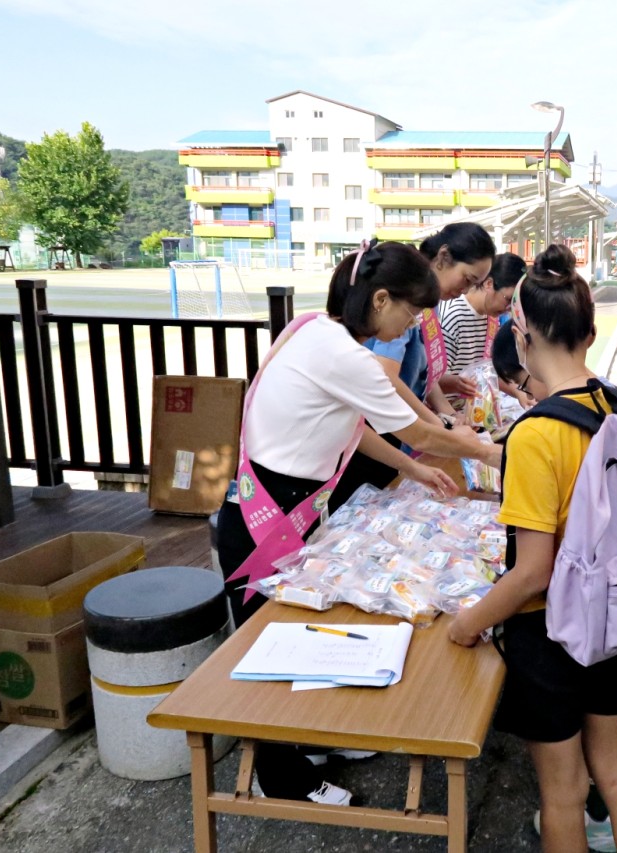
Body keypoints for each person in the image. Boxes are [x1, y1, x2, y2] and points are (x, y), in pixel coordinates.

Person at [215, 240, 503, 803]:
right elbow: (419, 433)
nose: (410, 325)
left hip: (288, 505)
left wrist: (412, 472)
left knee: (304, 633)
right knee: (271, 649)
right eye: (409, 313)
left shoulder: (314, 330)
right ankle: (283, 778)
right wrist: (494, 455)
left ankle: (318, 736)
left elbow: (356, 428)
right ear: (379, 299)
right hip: (265, 518)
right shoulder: (344, 355)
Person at [449, 244, 617, 853]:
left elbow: (533, 571)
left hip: (553, 631)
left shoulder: (537, 433)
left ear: (523, 335)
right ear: (590, 332)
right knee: (615, 771)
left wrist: (468, 624)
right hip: (615, 616)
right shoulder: (616, 404)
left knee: (562, 793)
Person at [367, 222, 496, 421]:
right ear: (443, 257)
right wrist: (436, 424)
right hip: (385, 421)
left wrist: (450, 416)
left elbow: (424, 376)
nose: (465, 290)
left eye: (473, 284)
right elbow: (386, 374)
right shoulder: (409, 295)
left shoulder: (430, 301)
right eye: (467, 279)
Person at [438, 252, 524, 384]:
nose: (509, 309)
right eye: (508, 300)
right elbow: (437, 379)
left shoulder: (490, 317)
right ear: (489, 283)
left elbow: (486, 371)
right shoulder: (454, 317)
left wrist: (518, 392)